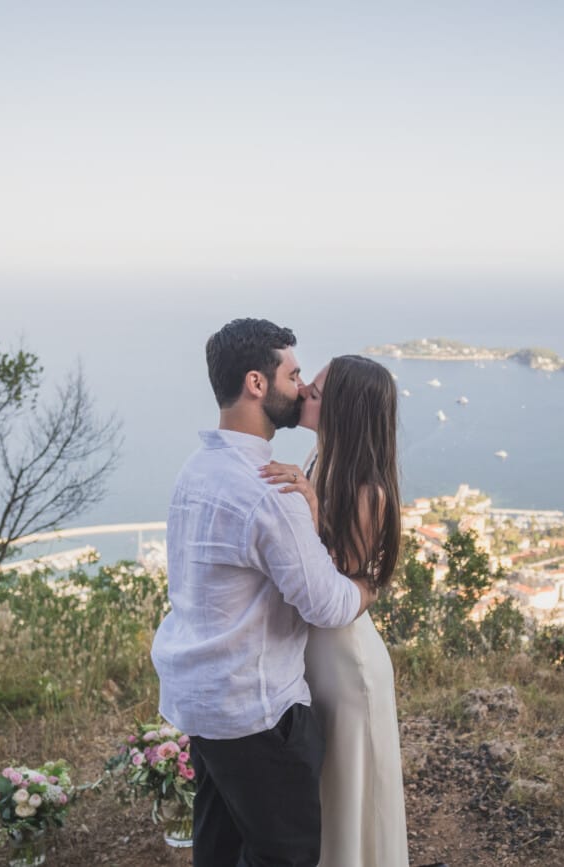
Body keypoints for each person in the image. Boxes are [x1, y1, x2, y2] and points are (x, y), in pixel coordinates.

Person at [151, 319, 378, 867]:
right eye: (294, 374)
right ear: (257, 383)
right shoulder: (269, 488)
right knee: (286, 854)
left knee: (220, 846)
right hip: (257, 711)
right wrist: (369, 583)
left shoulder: (197, 468)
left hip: (202, 701)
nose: (302, 389)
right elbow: (328, 604)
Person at [259, 355, 410, 867]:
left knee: (352, 794)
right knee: (323, 791)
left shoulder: (369, 491)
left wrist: (310, 507)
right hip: (315, 656)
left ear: (342, 411)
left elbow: (334, 588)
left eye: (316, 392)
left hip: (347, 665)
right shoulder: (320, 459)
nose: (302, 394)